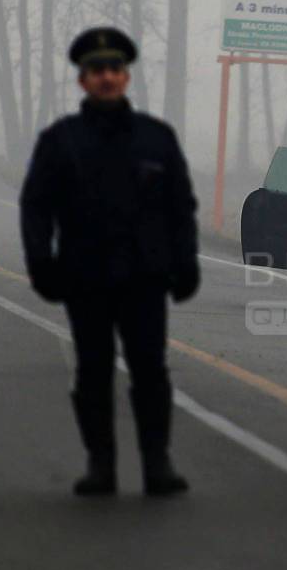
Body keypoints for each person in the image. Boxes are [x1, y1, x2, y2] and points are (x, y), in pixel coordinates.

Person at [19, 27, 200, 497]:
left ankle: (157, 464)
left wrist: (186, 263)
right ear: (82, 80)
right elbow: (36, 205)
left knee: (150, 371)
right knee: (92, 371)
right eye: (96, 71)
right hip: (85, 276)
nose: (106, 78)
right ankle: (101, 465)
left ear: (126, 77)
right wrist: (42, 263)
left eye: (114, 70)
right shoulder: (61, 141)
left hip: (144, 277)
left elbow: (181, 206)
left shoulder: (156, 138)